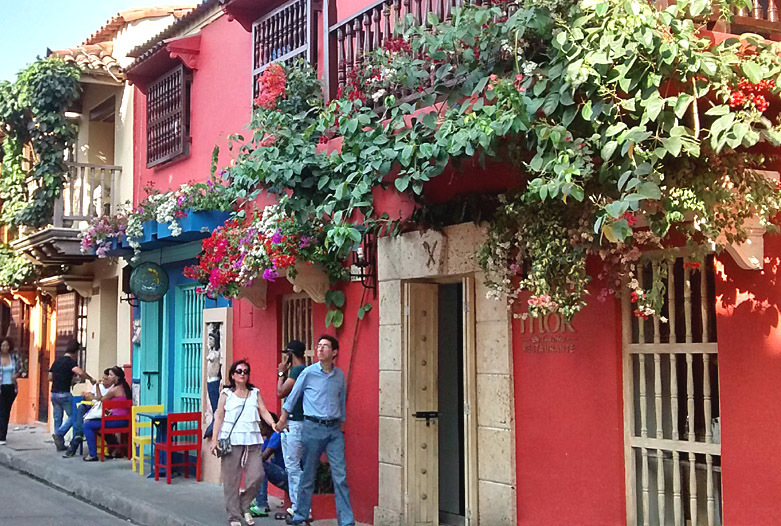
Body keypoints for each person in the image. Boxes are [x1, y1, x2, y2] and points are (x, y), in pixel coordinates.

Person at [276, 335, 354, 526]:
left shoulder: (339, 376)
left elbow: (342, 400)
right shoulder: (309, 373)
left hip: (334, 430)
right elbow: (292, 397)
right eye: (318, 346)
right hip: (312, 427)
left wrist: (342, 424)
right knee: (308, 474)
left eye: (325, 346)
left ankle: (346, 521)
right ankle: (300, 515)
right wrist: (282, 419)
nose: (320, 349)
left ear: (334, 352)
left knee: (340, 476)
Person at [211, 359, 277, 526]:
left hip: (252, 440)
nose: (243, 374)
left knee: (257, 475)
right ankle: (234, 515)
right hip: (231, 441)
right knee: (231, 480)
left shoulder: (254, 392)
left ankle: (243, 503)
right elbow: (219, 416)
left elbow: (263, 410)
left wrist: (273, 424)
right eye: (239, 371)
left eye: (246, 372)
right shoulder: (226, 394)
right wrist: (214, 439)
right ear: (233, 375)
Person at [276, 340, 307, 519]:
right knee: (293, 467)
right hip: (296, 423)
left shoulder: (297, 371)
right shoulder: (304, 370)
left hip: (295, 422)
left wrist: (281, 372)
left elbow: (280, 392)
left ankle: (299, 508)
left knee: (294, 467)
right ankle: (297, 506)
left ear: (290, 354)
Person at [49, 340, 95, 451]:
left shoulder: (57, 361)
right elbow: (79, 372)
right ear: (76, 352)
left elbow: (50, 377)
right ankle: (60, 434)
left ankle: (59, 443)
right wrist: (90, 378)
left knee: (57, 418)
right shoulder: (70, 362)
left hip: (54, 393)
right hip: (64, 393)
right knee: (73, 415)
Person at [82, 366, 131, 462]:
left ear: (117, 378)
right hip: (123, 419)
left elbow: (101, 400)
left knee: (87, 425)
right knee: (98, 423)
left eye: (111, 375)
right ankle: (115, 447)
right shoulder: (124, 387)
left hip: (117, 420)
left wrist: (97, 386)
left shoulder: (114, 390)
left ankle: (92, 454)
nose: (108, 377)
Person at [63, 368, 112, 457]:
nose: (103, 381)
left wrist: (96, 391)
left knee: (85, 417)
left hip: (103, 410)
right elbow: (92, 396)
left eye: (106, 379)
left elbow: (101, 399)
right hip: (93, 407)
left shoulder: (112, 389)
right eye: (103, 378)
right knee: (81, 407)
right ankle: (78, 434)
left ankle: (76, 438)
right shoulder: (99, 385)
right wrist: (87, 394)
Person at [250, 413, 289, 518]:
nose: (259, 428)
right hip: (283, 475)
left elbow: (262, 457)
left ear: (268, 425)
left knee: (260, 465)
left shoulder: (277, 435)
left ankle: (261, 505)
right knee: (257, 465)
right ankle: (260, 501)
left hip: (288, 477)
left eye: (261, 425)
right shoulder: (268, 439)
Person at [0, 338, 23, 445]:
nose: (5, 348)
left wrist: (16, 375)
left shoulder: (13, 356)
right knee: (2, 411)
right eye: (3, 346)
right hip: (1, 387)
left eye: (7, 346)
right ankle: (2, 436)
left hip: (11, 387)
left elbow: (21, 369)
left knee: (6, 411)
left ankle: (3, 434)